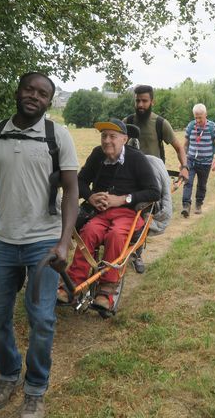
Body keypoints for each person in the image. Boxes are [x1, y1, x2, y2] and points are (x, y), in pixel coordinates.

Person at [0, 72, 79, 418]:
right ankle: (8, 375)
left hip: (43, 243)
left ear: (49, 101)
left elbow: (71, 192)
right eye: (28, 89)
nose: (34, 96)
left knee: (41, 319)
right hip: (4, 243)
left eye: (42, 93)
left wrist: (64, 242)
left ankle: (36, 388)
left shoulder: (58, 136)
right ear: (18, 92)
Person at [58, 118, 160, 309]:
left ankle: (106, 291)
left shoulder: (137, 158)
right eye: (104, 136)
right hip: (100, 213)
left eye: (112, 136)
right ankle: (71, 285)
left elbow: (154, 191)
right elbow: (79, 182)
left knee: (115, 236)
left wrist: (122, 199)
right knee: (88, 233)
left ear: (124, 139)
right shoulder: (98, 155)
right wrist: (90, 197)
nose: (106, 141)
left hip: (128, 214)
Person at [123, 84, 188, 273]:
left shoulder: (160, 123)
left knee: (143, 216)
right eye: (137, 101)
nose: (140, 105)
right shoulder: (125, 122)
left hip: (151, 181)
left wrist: (184, 167)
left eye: (144, 101)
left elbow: (179, 147)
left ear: (152, 101)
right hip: (128, 178)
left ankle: (137, 254)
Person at [181, 104, 215, 217]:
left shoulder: (213, 127)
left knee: (202, 185)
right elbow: (185, 145)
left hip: (206, 162)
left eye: (200, 118)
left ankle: (198, 204)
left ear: (205, 115)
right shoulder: (191, 126)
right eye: (196, 117)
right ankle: (186, 206)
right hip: (191, 161)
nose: (197, 120)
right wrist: (183, 163)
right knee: (188, 182)